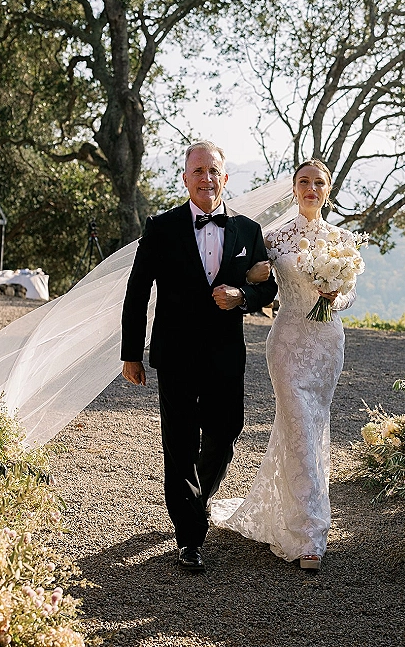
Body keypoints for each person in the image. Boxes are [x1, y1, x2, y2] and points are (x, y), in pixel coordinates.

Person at [120, 141, 277, 572]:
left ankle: (198, 499)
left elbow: (268, 288)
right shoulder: (161, 227)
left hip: (226, 355)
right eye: (198, 171)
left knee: (227, 434)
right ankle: (189, 538)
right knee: (181, 444)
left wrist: (242, 295)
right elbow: (136, 293)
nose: (206, 178)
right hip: (174, 354)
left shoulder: (247, 230)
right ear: (185, 178)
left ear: (225, 178)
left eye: (214, 171)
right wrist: (131, 353)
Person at [210, 159, 360, 570]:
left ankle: (285, 510)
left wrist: (336, 297)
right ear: (294, 189)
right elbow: (249, 276)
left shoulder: (342, 240)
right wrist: (253, 274)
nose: (311, 189)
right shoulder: (274, 239)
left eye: (319, 183)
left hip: (328, 343)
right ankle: (309, 536)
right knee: (298, 423)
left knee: (309, 427)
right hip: (288, 343)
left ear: (328, 190)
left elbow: (350, 296)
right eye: (304, 182)